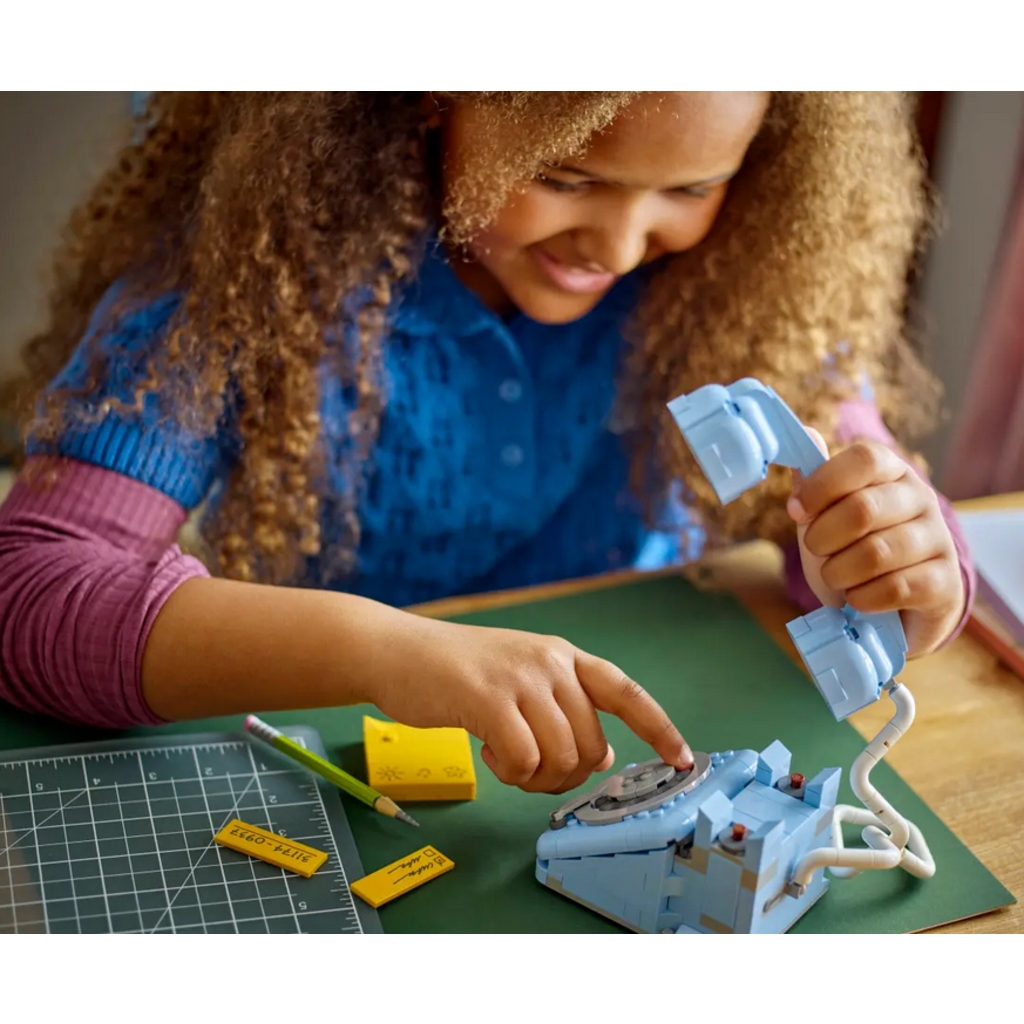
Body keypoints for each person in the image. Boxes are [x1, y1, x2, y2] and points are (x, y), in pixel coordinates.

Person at [0, 92, 973, 798]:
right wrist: (383, 649)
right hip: (340, 752)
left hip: (651, 745)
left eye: (691, 186)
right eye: (564, 176)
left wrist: (902, 571)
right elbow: (32, 592)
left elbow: (860, 527)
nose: (619, 244)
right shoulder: (242, 276)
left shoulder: (751, 282)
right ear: (432, 103)